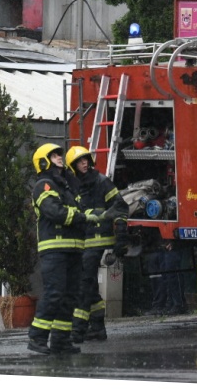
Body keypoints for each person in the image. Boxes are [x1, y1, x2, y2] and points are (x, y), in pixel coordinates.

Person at [29, 143, 85, 356]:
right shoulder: (43, 185)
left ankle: (61, 341)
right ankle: (37, 337)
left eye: (59, 155)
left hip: (73, 249)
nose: (60, 158)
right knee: (54, 293)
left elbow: (79, 209)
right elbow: (54, 211)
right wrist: (78, 217)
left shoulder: (67, 186)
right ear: (44, 160)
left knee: (69, 296)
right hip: (54, 249)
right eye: (54, 155)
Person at [65, 144, 125, 343]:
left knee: (84, 284)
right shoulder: (71, 186)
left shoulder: (101, 182)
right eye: (79, 161)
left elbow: (120, 206)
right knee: (88, 285)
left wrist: (122, 234)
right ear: (72, 166)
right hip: (81, 243)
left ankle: (78, 330)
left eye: (86, 160)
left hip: (98, 242)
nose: (84, 163)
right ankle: (98, 327)